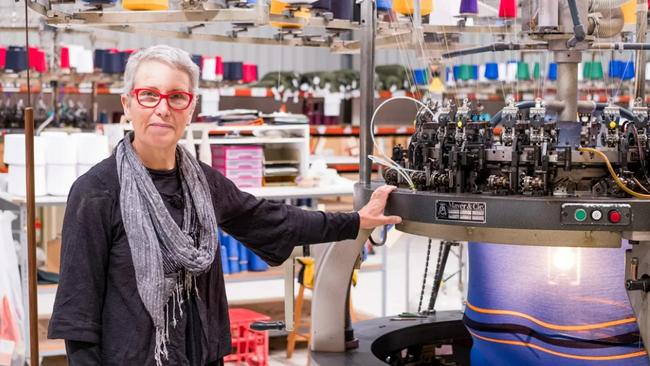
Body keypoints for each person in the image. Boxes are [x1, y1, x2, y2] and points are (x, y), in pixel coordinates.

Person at [48, 45, 401, 366]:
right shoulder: (96, 193)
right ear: (127, 104)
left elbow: (271, 220)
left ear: (191, 109)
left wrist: (356, 221)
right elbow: (78, 317)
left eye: (176, 97)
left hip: (202, 356)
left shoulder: (203, 183)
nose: (162, 109)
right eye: (149, 95)